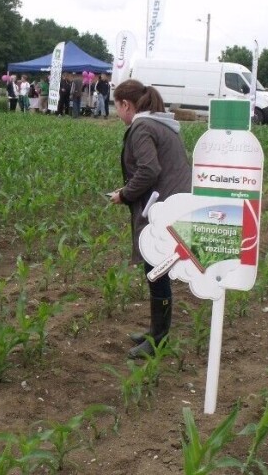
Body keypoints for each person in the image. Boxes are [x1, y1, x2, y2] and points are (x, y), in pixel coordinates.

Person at [108, 79, 191, 359]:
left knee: (156, 271)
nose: (116, 112)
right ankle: (156, 331)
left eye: (116, 106)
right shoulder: (160, 124)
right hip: (172, 205)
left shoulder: (142, 127)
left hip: (161, 210)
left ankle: (159, 338)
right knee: (157, 271)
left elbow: (149, 170)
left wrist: (125, 194)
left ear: (126, 105)